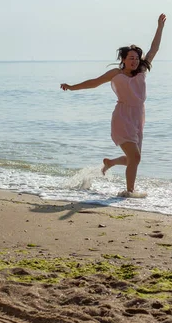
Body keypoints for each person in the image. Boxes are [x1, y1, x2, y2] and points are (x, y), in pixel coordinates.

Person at [60, 13, 166, 197]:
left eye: (136, 58)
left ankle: (110, 163)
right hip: (122, 117)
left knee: (134, 159)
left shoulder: (141, 71)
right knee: (136, 157)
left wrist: (160, 27)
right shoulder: (115, 73)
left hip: (138, 117)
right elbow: (93, 82)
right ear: (123, 59)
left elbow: (154, 49)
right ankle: (129, 192)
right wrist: (72, 87)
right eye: (130, 58)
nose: (134, 61)